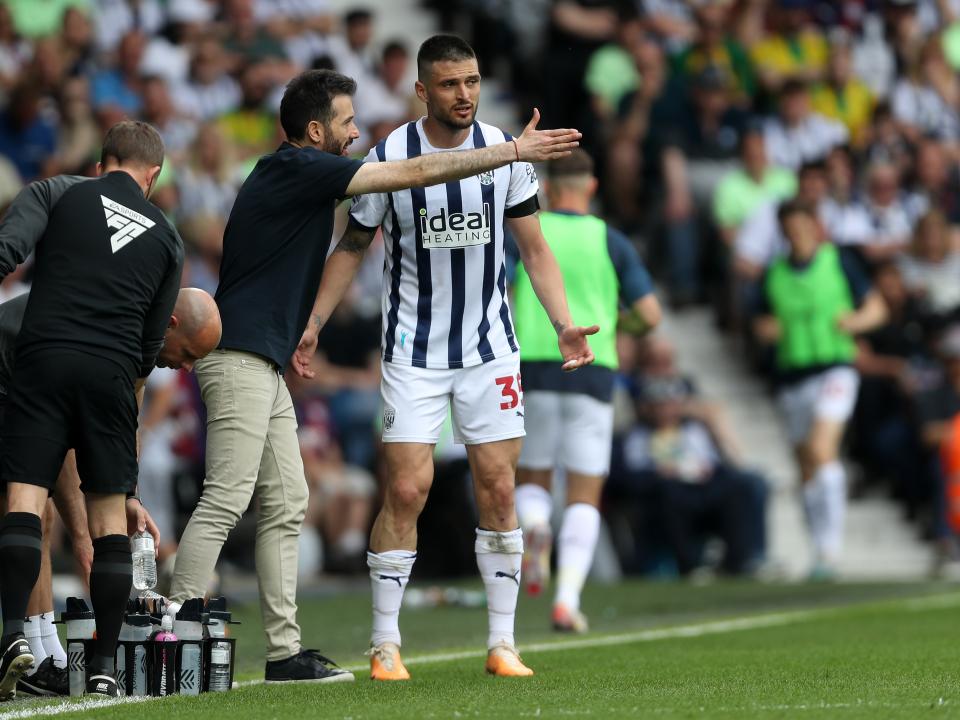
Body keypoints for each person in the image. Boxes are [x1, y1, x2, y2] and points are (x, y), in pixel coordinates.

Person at [167, 65, 581, 684]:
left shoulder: (294, 174)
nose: (356, 132)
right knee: (228, 496)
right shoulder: (299, 166)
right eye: (345, 123)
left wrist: (307, 327)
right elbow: (410, 174)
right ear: (314, 130)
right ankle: (174, 633)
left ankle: (283, 654)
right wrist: (515, 151)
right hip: (240, 356)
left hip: (266, 358)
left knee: (288, 502)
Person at [297, 36, 595, 681]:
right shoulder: (389, 156)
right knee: (406, 488)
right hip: (413, 349)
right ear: (422, 91)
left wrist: (564, 323)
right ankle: (384, 644)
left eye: (473, 81)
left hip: (490, 349)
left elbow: (535, 250)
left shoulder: (506, 153)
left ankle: (503, 643)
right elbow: (352, 244)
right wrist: (315, 322)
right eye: (450, 84)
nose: (464, 94)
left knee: (498, 488)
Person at [0, 120, 185, 699]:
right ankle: (104, 663)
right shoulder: (168, 237)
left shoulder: (57, 192)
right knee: (108, 522)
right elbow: (151, 349)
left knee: (24, 498)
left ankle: (12, 636)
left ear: (102, 163)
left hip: (42, 359)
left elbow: (5, 253)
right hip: (109, 376)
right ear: (151, 177)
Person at [0, 287, 220, 696]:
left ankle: (43, 652)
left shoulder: (125, 333)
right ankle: (28, 651)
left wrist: (105, 518)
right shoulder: (118, 342)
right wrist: (85, 536)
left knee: (40, 515)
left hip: (27, 375)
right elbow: (70, 445)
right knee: (23, 512)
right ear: (169, 325)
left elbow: (69, 449)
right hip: (7, 369)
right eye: (189, 353)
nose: (188, 369)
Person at [510, 149, 660, 633]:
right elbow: (652, 315)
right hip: (594, 368)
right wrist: (620, 323)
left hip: (535, 361)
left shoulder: (530, 233)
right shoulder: (610, 240)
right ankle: (567, 600)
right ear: (591, 186)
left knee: (532, 476)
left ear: (549, 187)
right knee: (584, 489)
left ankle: (534, 528)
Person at [753, 200, 886, 579]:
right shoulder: (773, 274)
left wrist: (855, 321)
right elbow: (759, 320)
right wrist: (766, 330)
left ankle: (831, 548)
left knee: (820, 448)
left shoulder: (839, 261)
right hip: (792, 376)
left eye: (802, 226)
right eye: (789, 228)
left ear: (815, 226)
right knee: (806, 465)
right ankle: (818, 551)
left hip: (834, 369)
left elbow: (877, 309)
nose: (797, 234)